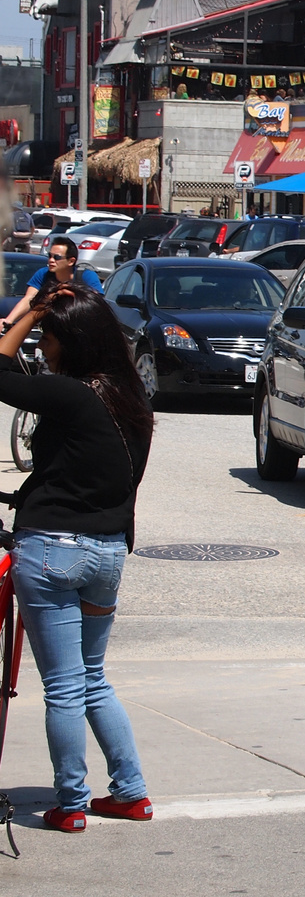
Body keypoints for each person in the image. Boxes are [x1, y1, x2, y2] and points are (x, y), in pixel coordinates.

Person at [0, 285, 155, 832]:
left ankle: (70, 803)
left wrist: (29, 311)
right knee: (93, 679)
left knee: (63, 686)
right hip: (107, 553)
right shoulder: (130, 398)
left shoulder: (73, 396)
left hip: (52, 552)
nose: (43, 346)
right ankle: (130, 792)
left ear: (74, 341)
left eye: (50, 337)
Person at [2, 236, 103, 331]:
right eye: (49, 256)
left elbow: (97, 303)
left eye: (57, 257)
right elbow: (28, 299)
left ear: (71, 261)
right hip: (50, 329)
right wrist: (8, 320)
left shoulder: (86, 276)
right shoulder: (43, 274)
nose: (51, 260)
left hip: (79, 329)